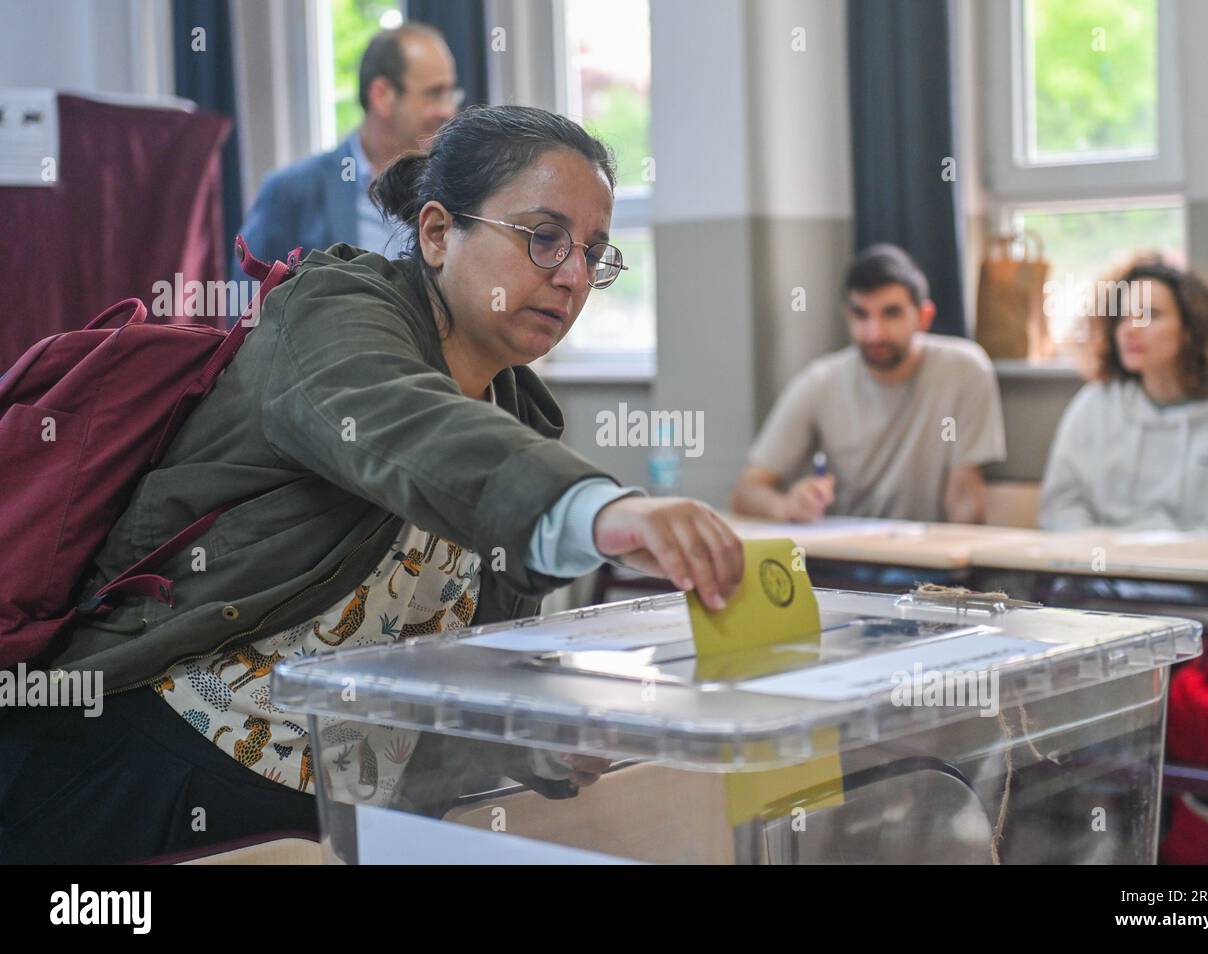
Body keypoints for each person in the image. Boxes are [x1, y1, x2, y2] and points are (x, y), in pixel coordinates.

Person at [0, 105, 743, 863]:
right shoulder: (331, 314)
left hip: (327, 818)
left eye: (594, 252)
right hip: (145, 775)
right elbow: (405, 425)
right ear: (435, 233)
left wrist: (549, 743)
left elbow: (454, 672)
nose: (575, 276)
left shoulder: (514, 411)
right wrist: (600, 508)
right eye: (544, 238)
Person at [732, 244, 1006, 524]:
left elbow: (964, 490)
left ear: (924, 317)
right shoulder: (820, 382)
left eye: (891, 313)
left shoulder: (965, 370)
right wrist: (787, 506)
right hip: (845, 556)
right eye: (861, 315)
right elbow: (747, 489)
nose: (875, 333)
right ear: (848, 315)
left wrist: (960, 558)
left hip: (927, 556)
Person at [1039, 255, 1208, 537]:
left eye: (1148, 315)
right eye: (1123, 318)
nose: (1129, 329)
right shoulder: (1093, 405)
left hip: (1197, 577)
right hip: (1099, 575)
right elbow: (1061, 508)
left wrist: (1169, 559)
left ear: (1191, 329)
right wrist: (1103, 559)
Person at [235, 23, 462, 269]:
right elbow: (249, 300)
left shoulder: (456, 188)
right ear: (382, 95)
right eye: (434, 94)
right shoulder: (291, 192)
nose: (448, 111)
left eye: (451, 94)